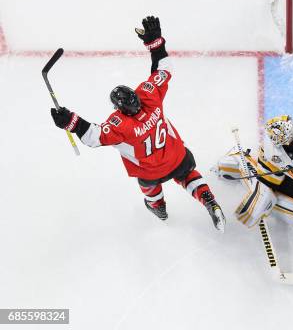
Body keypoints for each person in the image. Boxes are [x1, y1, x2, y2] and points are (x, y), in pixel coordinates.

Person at [50, 16, 225, 231]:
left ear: (119, 109)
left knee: (147, 185)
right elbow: (164, 69)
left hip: (151, 172)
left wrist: (70, 121)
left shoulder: (120, 124)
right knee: (186, 173)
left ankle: (158, 208)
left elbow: (93, 137)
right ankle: (208, 199)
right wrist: (155, 43)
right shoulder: (149, 95)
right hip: (176, 155)